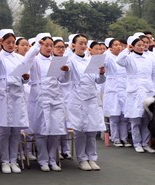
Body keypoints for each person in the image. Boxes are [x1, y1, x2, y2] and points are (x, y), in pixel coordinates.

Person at [23, 33, 70, 172]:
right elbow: (26, 60)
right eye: (46, 45)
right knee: (42, 131)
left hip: (55, 97)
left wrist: (66, 72)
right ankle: (43, 160)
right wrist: (36, 45)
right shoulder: (35, 59)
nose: (49, 48)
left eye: (51, 45)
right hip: (40, 97)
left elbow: (63, 80)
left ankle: (52, 159)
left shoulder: (56, 60)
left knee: (55, 130)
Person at [65, 34, 106, 171]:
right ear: (73, 45)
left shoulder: (91, 60)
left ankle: (92, 158)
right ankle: (82, 159)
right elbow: (64, 78)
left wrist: (101, 73)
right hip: (78, 97)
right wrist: (65, 70)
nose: (83, 46)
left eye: (85, 43)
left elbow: (98, 81)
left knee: (92, 130)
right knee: (80, 131)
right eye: (80, 43)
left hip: (92, 97)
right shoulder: (70, 60)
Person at [0, 29, 29, 174]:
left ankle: (14, 160)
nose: (11, 45)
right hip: (4, 95)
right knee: (4, 131)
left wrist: (25, 78)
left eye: (13, 42)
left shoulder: (19, 58)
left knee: (16, 131)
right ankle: (5, 161)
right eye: (8, 42)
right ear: (2, 43)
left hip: (17, 96)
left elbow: (24, 78)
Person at [115, 34, 155, 153]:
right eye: (139, 45)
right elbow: (119, 60)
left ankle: (145, 143)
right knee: (135, 120)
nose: (142, 47)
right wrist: (127, 49)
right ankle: (137, 143)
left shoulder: (150, 58)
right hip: (134, 91)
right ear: (133, 46)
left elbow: (153, 74)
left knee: (147, 119)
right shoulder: (129, 58)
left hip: (148, 89)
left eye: (143, 45)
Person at [103, 38, 130, 147]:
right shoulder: (108, 57)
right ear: (110, 48)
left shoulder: (124, 58)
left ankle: (124, 138)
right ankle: (115, 138)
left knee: (124, 116)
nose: (119, 47)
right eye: (115, 45)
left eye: (120, 45)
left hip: (124, 88)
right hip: (113, 89)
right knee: (114, 116)